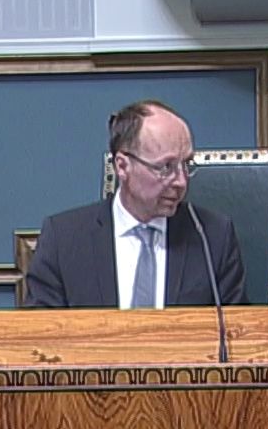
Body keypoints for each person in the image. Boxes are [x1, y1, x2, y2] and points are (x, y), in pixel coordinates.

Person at [23, 100, 247, 309]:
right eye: (166, 167)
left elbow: (237, 329)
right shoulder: (63, 240)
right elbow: (40, 332)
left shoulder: (212, 237)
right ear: (122, 166)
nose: (181, 181)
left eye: (186, 164)